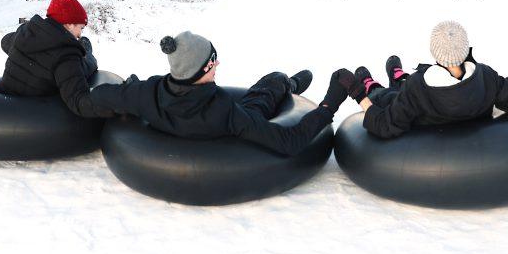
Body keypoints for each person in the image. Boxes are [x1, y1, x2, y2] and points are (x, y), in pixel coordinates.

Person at [90, 31, 346, 156]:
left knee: (264, 91)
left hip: (194, 114)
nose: (218, 65)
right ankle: (286, 85)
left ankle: (285, 83)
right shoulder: (224, 111)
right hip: (242, 118)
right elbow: (289, 142)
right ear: (200, 69)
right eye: (213, 63)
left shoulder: (147, 93)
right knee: (270, 85)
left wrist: (124, 94)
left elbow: (100, 95)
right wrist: (328, 106)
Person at [333, 20, 508, 139]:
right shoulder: (487, 77)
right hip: (461, 115)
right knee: (401, 91)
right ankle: (398, 79)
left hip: (420, 119)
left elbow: (386, 125)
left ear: (435, 53)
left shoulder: (419, 88)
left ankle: (372, 87)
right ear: (465, 49)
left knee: (387, 98)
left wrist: (358, 94)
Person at [0, 0, 113, 118]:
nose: (80, 34)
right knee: (86, 59)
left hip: (2, 108)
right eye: (81, 28)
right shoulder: (65, 53)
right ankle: (86, 49)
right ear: (69, 23)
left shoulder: (24, 34)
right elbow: (79, 100)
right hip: (32, 120)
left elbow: (5, 41)